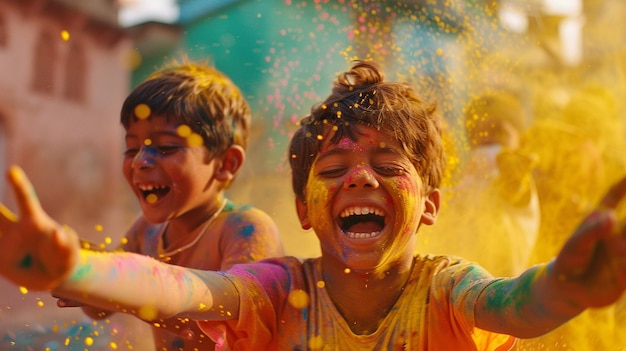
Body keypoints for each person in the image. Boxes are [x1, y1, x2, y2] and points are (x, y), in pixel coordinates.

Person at [1, 61, 626, 350]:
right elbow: (176, 287)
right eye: (334, 170)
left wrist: (568, 287)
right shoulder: (278, 292)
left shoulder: (449, 290)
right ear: (305, 209)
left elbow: (518, 306)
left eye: (387, 168)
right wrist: (74, 268)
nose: (359, 178)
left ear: (430, 204)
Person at [57, 59, 284, 351]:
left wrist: (125, 290)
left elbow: (235, 325)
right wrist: (78, 271)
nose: (140, 162)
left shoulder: (245, 230)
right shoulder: (146, 232)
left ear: (226, 164)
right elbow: (99, 308)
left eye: (165, 147)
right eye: (132, 148)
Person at [419, 90, 540, 277]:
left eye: (498, 131)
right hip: (461, 292)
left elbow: (515, 190)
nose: (486, 138)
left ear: (521, 140)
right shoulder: (465, 184)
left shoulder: (516, 179)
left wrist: (513, 174)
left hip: (503, 292)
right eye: (477, 132)